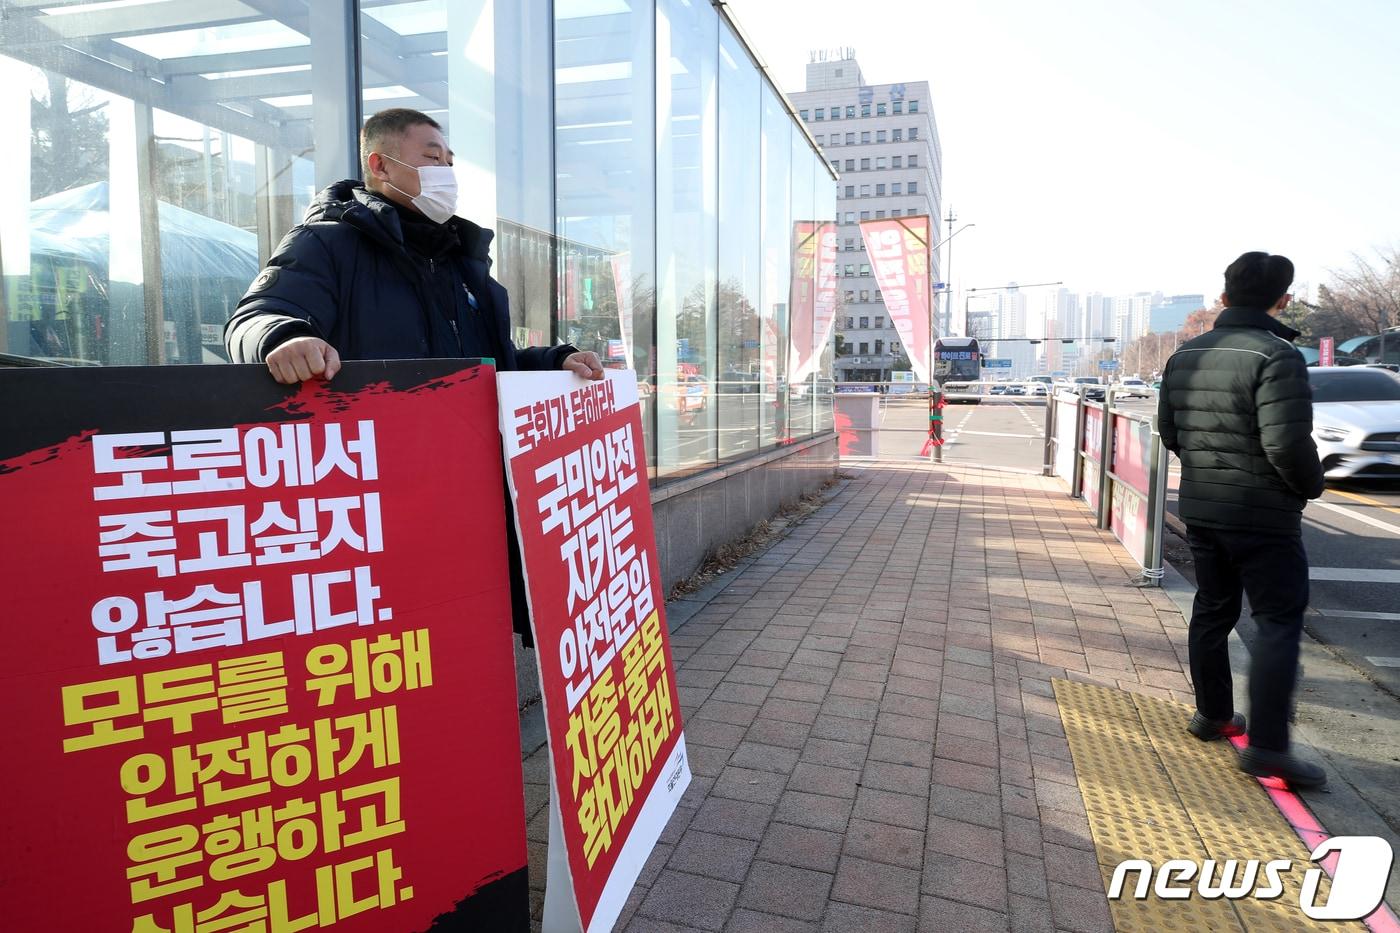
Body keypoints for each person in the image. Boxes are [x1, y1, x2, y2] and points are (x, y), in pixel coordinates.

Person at [225, 107, 604, 644]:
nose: (446, 171)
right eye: (432, 157)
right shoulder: (329, 242)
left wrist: (553, 361)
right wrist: (283, 338)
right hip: (376, 508)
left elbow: (491, 361)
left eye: (450, 161)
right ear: (380, 164)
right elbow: (254, 316)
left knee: (467, 643)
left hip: (468, 502)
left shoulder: (463, 265)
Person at [1157, 251, 1327, 788]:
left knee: (1212, 608)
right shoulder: (1278, 355)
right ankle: (1270, 749)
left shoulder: (1185, 354)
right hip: (1264, 516)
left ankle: (1212, 714)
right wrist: (1310, 486)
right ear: (1284, 300)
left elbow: (1171, 433)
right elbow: (1286, 443)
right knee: (1278, 622)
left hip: (1203, 508)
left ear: (1224, 296)